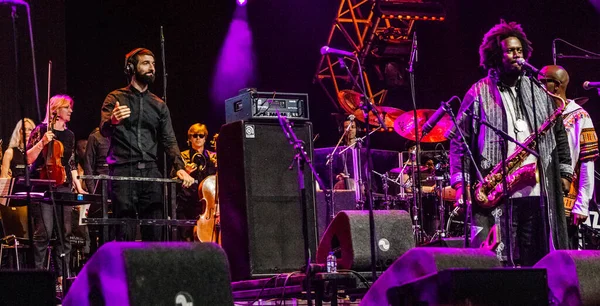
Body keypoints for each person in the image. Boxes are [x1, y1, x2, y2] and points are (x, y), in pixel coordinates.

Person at [449, 20, 573, 266]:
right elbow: (459, 140)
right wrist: (461, 184)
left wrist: (566, 172)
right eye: (509, 51)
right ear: (496, 55)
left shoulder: (538, 90)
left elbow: (558, 131)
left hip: (537, 191)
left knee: (535, 258)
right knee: (498, 259)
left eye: (519, 51)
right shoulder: (479, 92)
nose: (516, 56)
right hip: (498, 191)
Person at [100, 47, 194, 242]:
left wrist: (180, 167)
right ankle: (123, 271)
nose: (152, 68)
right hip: (123, 171)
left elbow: (169, 139)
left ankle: (153, 271)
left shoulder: (158, 104)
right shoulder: (115, 98)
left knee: (155, 229)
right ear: (131, 68)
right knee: (124, 231)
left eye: (153, 64)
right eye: (146, 63)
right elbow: (103, 129)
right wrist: (113, 121)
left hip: (151, 172)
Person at [26, 94, 86, 287]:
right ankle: (39, 278)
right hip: (43, 186)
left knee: (65, 234)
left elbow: (70, 164)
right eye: (67, 107)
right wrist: (42, 142)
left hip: (63, 186)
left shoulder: (69, 135)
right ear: (56, 110)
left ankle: (64, 277)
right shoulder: (41, 130)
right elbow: (27, 158)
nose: (71, 111)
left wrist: (79, 188)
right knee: (44, 232)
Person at [538, 65, 599, 249]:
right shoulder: (539, 113)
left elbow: (587, 162)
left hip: (566, 199)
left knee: (564, 253)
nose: (537, 86)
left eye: (542, 82)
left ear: (556, 85)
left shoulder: (580, 116)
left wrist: (582, 203)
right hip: (539, 196)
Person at [174, 123, 217, 241]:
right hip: (187, 203)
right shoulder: (182, 156)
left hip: (206, 204)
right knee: (186, 237)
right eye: (194, 135)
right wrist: (184, 172)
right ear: (190, 138)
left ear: (205, 138)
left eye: (201, 135)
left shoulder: (212, 156)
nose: (198, 138)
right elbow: (172, 179)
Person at [83, 127, 110, 195]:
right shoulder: (95, 137)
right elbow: (88, 164)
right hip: (101, 182)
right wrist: (92, 189)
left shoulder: (121, 137)